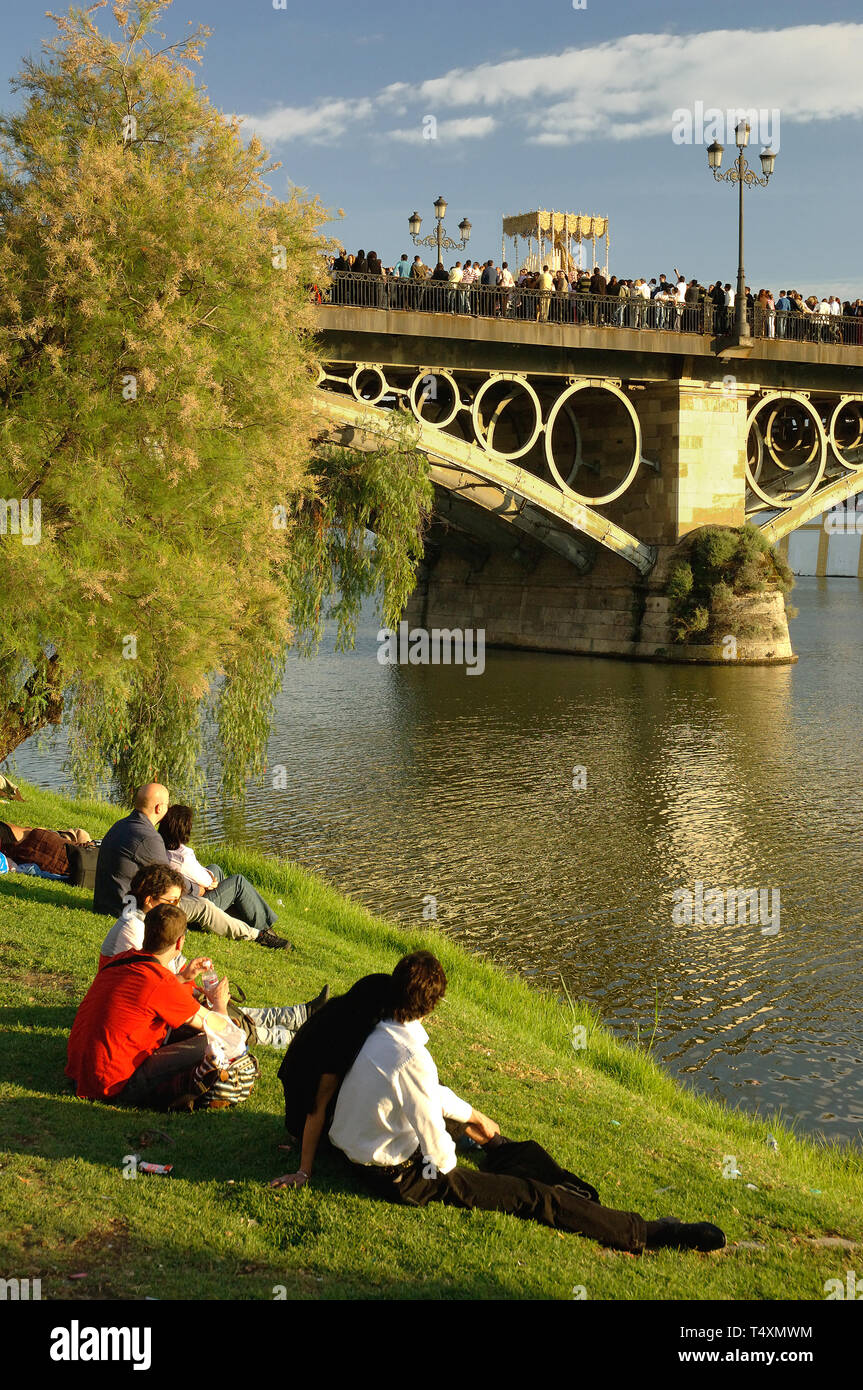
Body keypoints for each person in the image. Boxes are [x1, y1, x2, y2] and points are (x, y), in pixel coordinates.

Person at [326, 951, 727, 1255]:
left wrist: (472, 1117)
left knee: (468, 1127)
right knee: (533, 1196)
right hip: (400, 1178)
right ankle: (645, 1232)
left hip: (357, 1153)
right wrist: (452, 1151)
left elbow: (425, 1093)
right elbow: (440, 1159)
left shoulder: (382, 1035)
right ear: (432, 1005)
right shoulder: (412, 1058)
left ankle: (503, 1149)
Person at [98, 864, 328, 1047]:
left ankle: (298, 1015)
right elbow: (145, 987)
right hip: (146, 1016)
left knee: (221, 1009)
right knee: (221, 1023)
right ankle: (293, 1037)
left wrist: (188, 977)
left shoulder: (150, 923)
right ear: (149, 900)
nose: (178, 907)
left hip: (156, 1002)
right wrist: (195, 992)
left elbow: (158, 982)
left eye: (179, 901)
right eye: (173, 901)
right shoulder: (134, 930)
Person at [66, 902, 226, 1108]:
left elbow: (148, 991)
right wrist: (220, 1002)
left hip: (79, 1072)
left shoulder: (123, 960)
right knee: (213, 1043)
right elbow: (219, 1027)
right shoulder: (159, 982)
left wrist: (184, 977)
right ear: (179, 943)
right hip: (113, 1085)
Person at [93, 782, 290, 948]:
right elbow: (171, 884)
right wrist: (199, 889)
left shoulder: (122, 825)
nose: (169, 810)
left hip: (111, 901)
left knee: (214, 871)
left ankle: (239, 919)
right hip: (130, 909)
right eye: (167, 805)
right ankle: (257, 934)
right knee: (204, 905)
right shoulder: (148, 838)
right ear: (159, 808)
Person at [270, 973, 394, 1188]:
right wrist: (304, 1171)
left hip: (299, 1113)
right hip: (304, 1123)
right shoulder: (340, 1041)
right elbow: (316, 1108)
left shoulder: (337, 1011)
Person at [157, 803, 279, 936]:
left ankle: (231, 914)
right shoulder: (182, 857)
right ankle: (264, 927)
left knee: (215, 868)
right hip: (197, 906)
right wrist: (208, 881)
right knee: (238, 882)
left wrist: (207, 878)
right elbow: (208, 881)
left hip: (187, 892)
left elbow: (199, 875)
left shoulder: (161, 846)